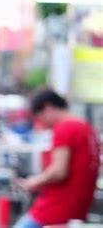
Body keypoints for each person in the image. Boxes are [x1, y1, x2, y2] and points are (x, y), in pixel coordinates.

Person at [14, 89, 100, 228]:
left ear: (48, 108)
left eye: (39, 116)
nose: (41, 123)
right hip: (78, 207)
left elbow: (59, 171)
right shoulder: (87, 127)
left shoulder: (65, 127)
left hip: (56, 207)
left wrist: (33, 182)